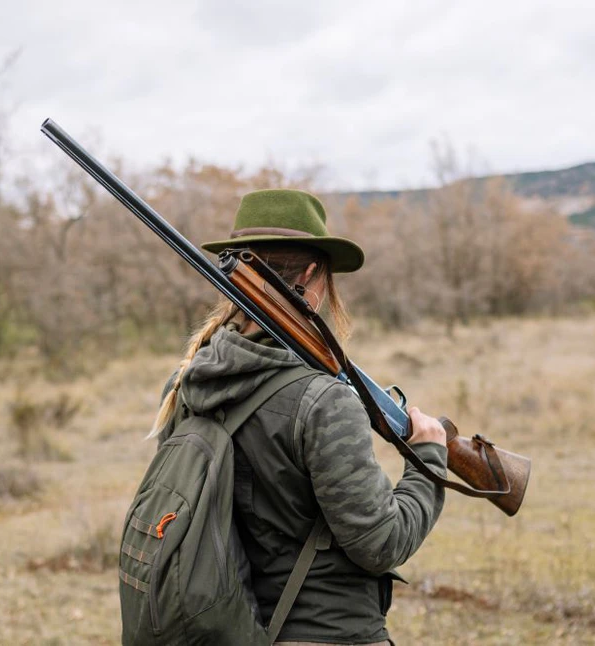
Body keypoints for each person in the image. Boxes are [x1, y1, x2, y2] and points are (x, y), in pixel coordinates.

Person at [150, 188, 448, 645]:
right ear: (313, 274)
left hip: (228, 631)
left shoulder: (189, 381)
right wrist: (428, 460)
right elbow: (382, 542)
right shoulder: (324, 401)